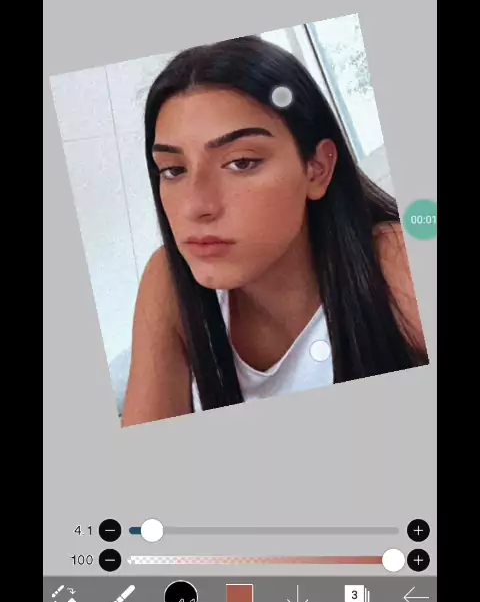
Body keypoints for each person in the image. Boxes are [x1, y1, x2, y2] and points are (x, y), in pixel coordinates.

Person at [122, 36, 428, 426]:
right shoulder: (168, 281)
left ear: (317, 169)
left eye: (241, 162)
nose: (195, 206)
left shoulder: (396, 262)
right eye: (174, 170)